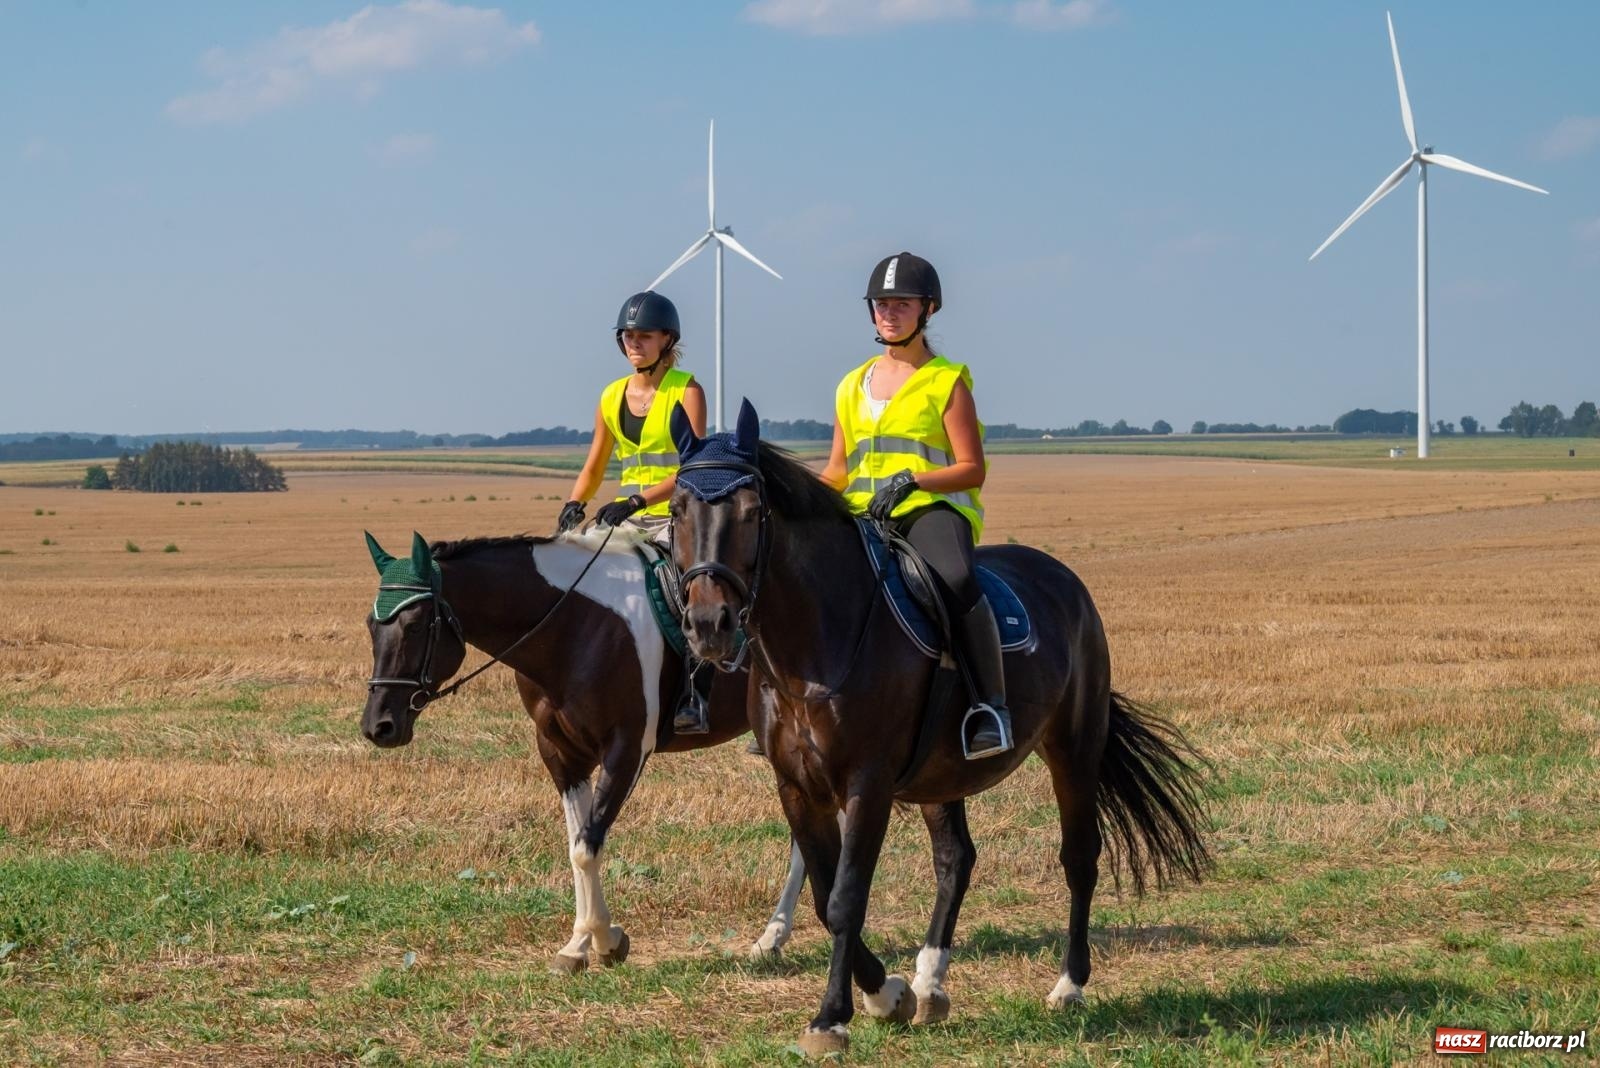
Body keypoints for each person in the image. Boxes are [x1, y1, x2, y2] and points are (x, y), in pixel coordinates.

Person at [818, 252, 1012, 760]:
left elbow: (973, 468)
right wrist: (806, 503)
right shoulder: (848, 385)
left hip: (931, 511)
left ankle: (989, 706)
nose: (889, 312)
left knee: (955, 579)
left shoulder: (947, 382)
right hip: (863, 515)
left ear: (928, 310)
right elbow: (839, 468)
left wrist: (913, 480)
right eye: (881, 304)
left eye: (901, 303)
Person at [558, 290, 715, 734]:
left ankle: (694, 693)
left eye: (643, 336)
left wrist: (638, 500)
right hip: (624, 516)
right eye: (627, 337)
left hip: (677, 514)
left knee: (691, 592)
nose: (634, 344)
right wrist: (574, 503)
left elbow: (692, 467)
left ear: (667, 339)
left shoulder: (687, 390)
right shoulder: (611, 396)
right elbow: (594, 464)